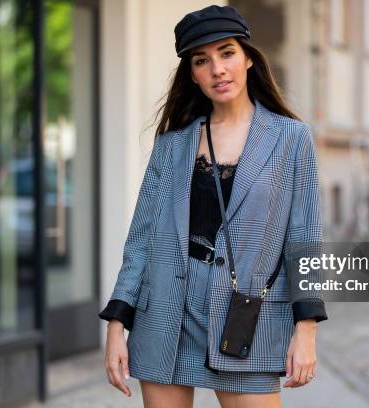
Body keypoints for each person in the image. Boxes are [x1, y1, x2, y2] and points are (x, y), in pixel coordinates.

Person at [98, 5, 327, 407]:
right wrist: (118, 322)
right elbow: (142, 240)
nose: (217, 69)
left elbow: (304, 240)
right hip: (164, 317)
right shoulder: (172, 145)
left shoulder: (291, 138)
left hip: (244, 321)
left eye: (226, 53)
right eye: (202, 60)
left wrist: (306, 329)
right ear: (192, 73)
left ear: (249, 58)